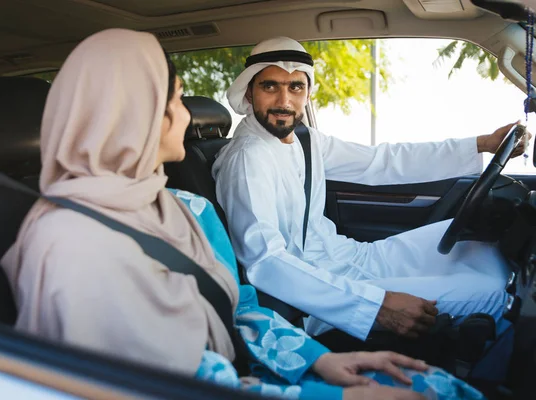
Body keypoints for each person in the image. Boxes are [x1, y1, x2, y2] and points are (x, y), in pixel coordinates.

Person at [0, 29, 483, 400]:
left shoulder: (181, 206)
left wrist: (318, 362)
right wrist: (328, 392)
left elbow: (239, 310)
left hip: (269, 362)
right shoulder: (70, 243)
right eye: (173, 101)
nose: (189, 117)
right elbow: (152, 381)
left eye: (297, 87)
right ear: (131, 113)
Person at [212, 36, 530, 342]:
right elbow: (266, 261)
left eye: (296, 86)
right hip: (316, 292)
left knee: (476, 244)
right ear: (250, 92)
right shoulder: (247, 158)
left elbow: (381, 161)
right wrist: (375, 305)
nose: (284, 101)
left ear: (307, 93)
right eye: (270, 87)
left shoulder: (304, 139)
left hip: (352, 257)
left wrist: (483, 144)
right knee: (494, 295)